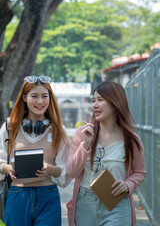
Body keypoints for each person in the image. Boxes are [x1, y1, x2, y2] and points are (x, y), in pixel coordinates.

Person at [66, 81, 147, 226]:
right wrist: (85, 145)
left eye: (100, 100)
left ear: (115, 102)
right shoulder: (82, 134)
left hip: (117, 202)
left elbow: (140, 172)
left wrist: (128, 185)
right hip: (85, 203)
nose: (95, 105)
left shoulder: (131, 140)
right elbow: (71, 172)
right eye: (94, 100)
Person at [0, 75, 71, 226]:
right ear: (24, 98)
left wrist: (50, 169)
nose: (40, 101)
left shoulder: (59, 130)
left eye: (44, 96)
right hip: (17, 197)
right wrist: (7, 168)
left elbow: (65, 170)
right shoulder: (9, 127)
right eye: (34, 96)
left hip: (48, 196)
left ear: (50, 98)